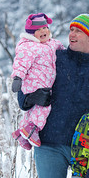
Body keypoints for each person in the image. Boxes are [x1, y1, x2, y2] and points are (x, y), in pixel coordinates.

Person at [17, 14, 89, 178]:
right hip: (49, 145)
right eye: (71, 29)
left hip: (87, 148)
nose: (72, 34)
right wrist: (33, 97)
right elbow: (23, 98)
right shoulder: (52, 57)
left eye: (78, 30)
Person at [11, 13, 65, 150]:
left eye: (45, 28)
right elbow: (21, 63)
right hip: (34, 83)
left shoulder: (52, 43)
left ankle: (21, 133)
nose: (43, 32)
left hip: (44, 82)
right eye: (39, 30)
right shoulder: (28, 46)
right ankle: (33, 128)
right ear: (31, 33)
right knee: (44, 106)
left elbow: (62, 49)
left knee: (33, 110)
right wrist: (17, 77)